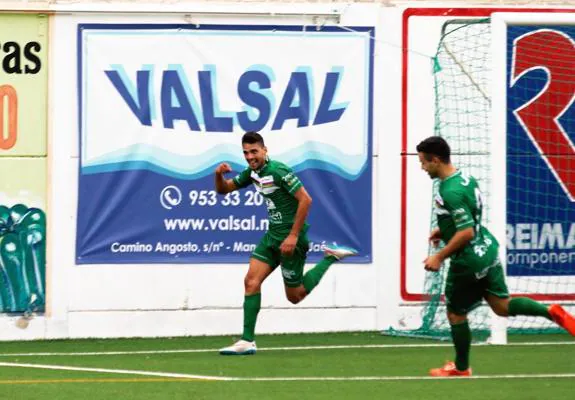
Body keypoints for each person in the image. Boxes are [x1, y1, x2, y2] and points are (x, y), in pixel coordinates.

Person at [416, 136, 575, 377]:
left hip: (468, 259)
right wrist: (444, 228)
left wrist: (439, 256)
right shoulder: (465, 178)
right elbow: (470, 216)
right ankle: (549, 311)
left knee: (456, 313)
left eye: (424, 162)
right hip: (487, 248)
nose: (422, 167)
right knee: (501, 306)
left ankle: (461, 368)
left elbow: (466, 232)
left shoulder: (449, 190)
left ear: (436, 160)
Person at [215, 131, 357, 355]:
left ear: (264, 150)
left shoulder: (278, 170)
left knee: (295, 296)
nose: (250, 156)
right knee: (251, 281)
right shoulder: (252, 173)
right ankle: (247, 341)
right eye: (246, 153)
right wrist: (218, 175)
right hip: (272, 237)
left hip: (292, 240)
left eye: (254, 151)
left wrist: (292, 236)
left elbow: (306, 199)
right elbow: (223, 190)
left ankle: (330, 258)